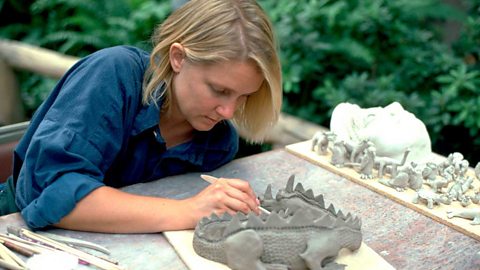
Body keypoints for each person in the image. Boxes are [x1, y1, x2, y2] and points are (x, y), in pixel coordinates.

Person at [0, 0, 282, 233]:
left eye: (244, 96)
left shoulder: (218, 142)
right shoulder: (112, 74)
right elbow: (51, 196)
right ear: (178, 58)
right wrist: (189, 210)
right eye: (219, 90)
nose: (229, 112)